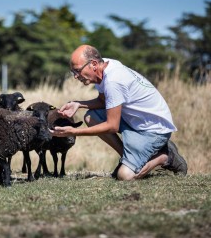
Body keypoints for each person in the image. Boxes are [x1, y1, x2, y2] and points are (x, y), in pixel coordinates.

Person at [49, 44, 187, 180]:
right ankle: (127, 158)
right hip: (136, 121)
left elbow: (112, 126)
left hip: (154, 130)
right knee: (91, 117)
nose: (75, 76)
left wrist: (73, 132)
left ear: (94, 64)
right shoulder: (105, 68)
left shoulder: (113, 81)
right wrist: (78, 104)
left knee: (125, 176)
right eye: (73, 72)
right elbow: (103, 101)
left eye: (77, 71)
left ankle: (165, 156)